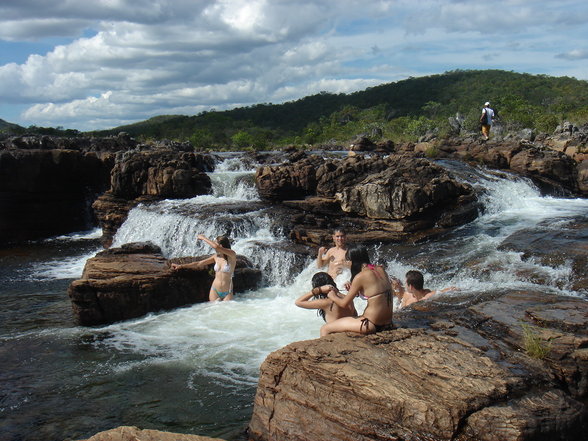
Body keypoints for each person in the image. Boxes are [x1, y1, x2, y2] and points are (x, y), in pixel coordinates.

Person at [320, 246, 393, 337]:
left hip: (369, 323)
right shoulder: (380, 269)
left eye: (347, 260)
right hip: (387, 322)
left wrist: (332, 296)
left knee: (325, 328)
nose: (345, 263)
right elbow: (375, 291)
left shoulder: (360, 276)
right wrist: (354, 290)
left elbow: (344, 303)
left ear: (353, 261)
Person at [171, 234, 237, 302]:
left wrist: (203, 238)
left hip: (227, 291)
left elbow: (216, 247)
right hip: (215, 290)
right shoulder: (216, 256)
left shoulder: (232, 255)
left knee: (226, 310)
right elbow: (199, 263)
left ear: (221, 246)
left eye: (215, 242)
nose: (213, 246)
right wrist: (181, 266)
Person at [392, 270, 457, 308]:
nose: (405, 285)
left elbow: (449, 289)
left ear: (411, 287)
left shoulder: (428, 296)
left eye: (406, 284)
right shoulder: (407, 295)